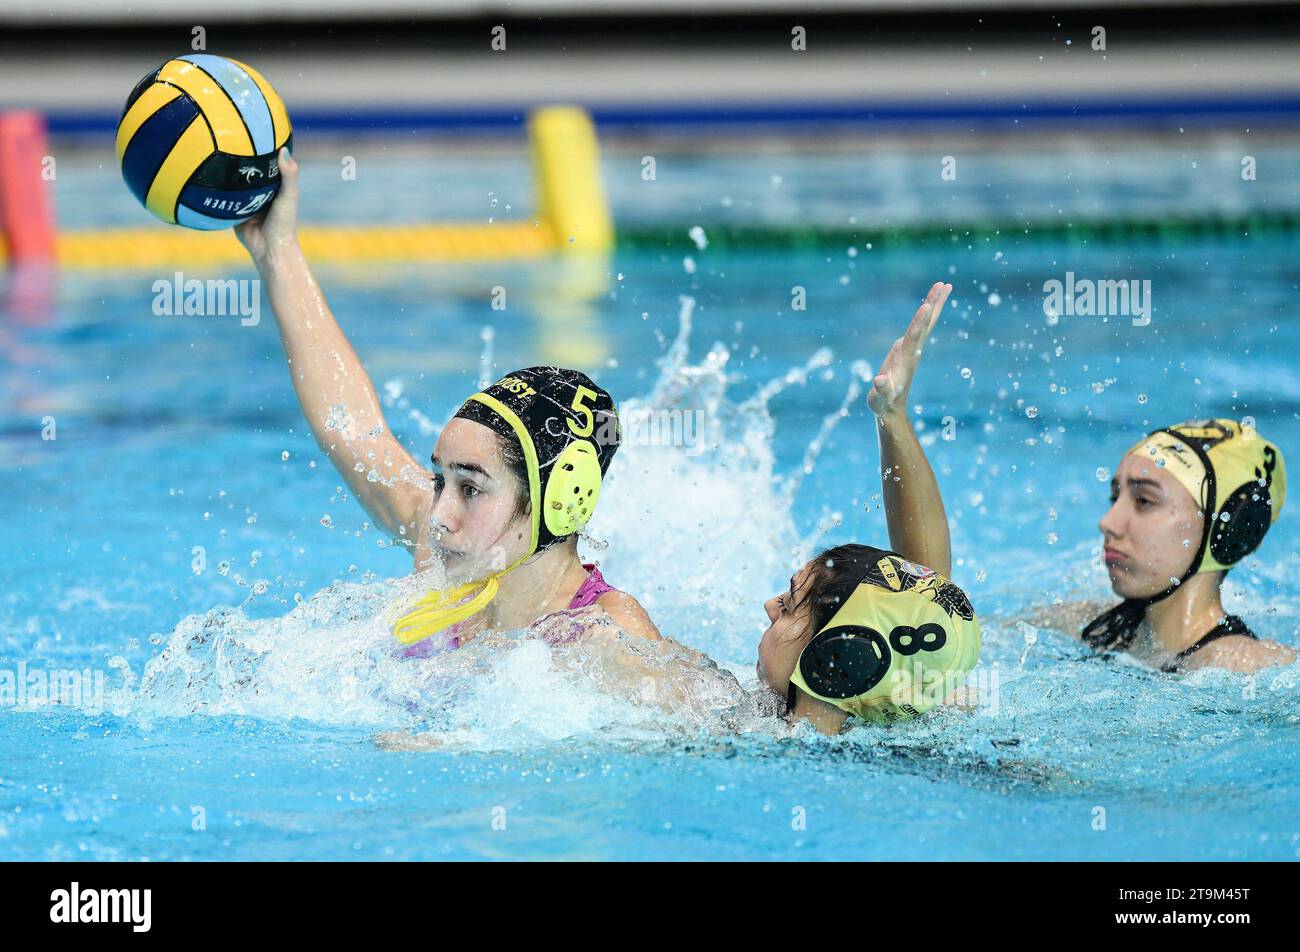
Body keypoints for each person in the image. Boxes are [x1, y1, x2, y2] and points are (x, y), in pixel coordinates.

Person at [379, 281, 982, 747]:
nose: (769, 605)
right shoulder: (772, 715)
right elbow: (927, 595)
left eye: (792, 603)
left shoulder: (740, 731)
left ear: (835, 659)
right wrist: (893, 420)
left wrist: (462, 745)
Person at [234, 149, 660, 654]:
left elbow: (736, 722)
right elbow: (351, 429)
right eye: (441, 481)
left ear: (562, 501)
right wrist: (276, 249)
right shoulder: (448, 562)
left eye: (472, 489)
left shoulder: (605, 639)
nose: (438, 515)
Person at [1064, 419, 1292, 673]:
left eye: (1144, 501)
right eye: (1115, 497)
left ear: (1228, 531)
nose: (1108, 522)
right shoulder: (1092, 625)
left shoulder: (1245, 667)